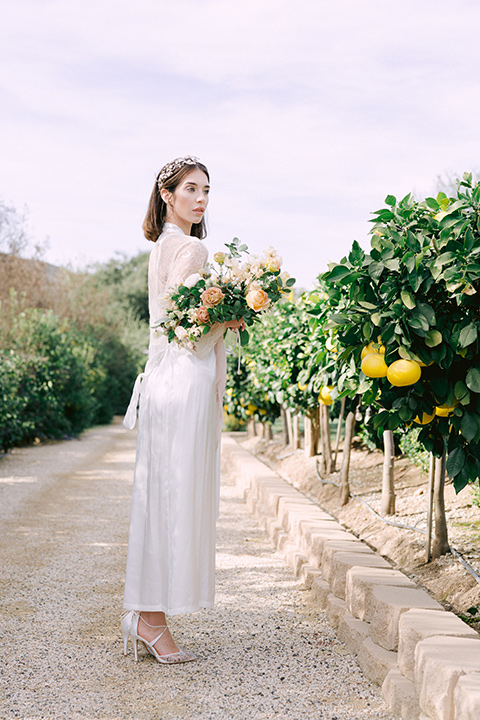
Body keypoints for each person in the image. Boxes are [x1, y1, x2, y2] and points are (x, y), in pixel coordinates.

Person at [121, 156, 243, 665]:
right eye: (191, 189)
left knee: (161, 498)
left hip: (163, 383)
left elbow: (168, 325)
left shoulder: (161, 248)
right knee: (175, 499)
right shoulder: (191, 247)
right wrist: (231, 317)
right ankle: (150, 619)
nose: (201, 199)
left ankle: (149, 616)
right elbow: (186, 331)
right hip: (183, 381)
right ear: (167, 196)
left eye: (207, 190)